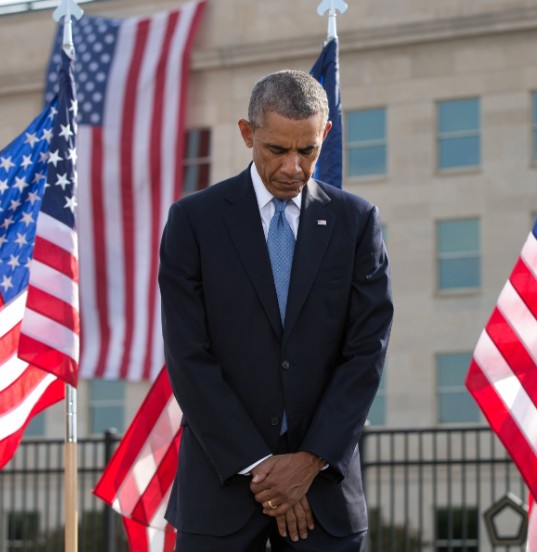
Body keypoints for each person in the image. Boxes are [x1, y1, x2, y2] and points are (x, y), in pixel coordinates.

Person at [159, 69, 394, 551]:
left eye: (307, 150)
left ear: (325, 135)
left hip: (324, 496)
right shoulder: (193, 222)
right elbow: (188, 358)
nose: (293, 167)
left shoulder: (356, 223)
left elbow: (366, 353)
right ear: (247, 134)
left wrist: (308, 463)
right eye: (277, 150)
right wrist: (266, 473)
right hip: (221, 491)